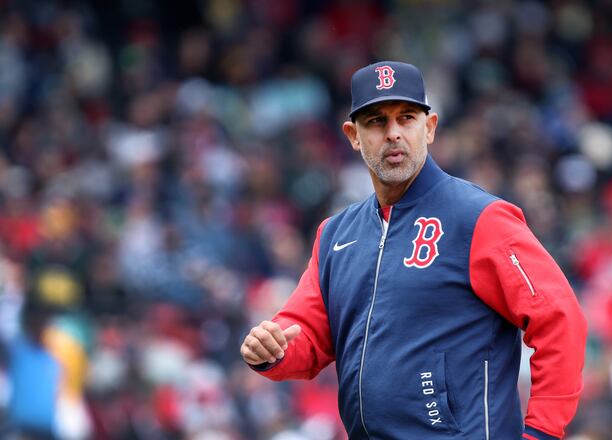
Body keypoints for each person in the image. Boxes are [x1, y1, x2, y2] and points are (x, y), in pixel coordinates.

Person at [240, 61, 586, 439]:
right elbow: (306, 334)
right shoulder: (336, 234)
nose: (393, 134)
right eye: (375, 121)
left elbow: (559, 317)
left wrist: (543, 431)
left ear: (430, 127)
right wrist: (271, 350)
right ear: (353, 135)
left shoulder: (479, 218)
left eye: (406, 118)